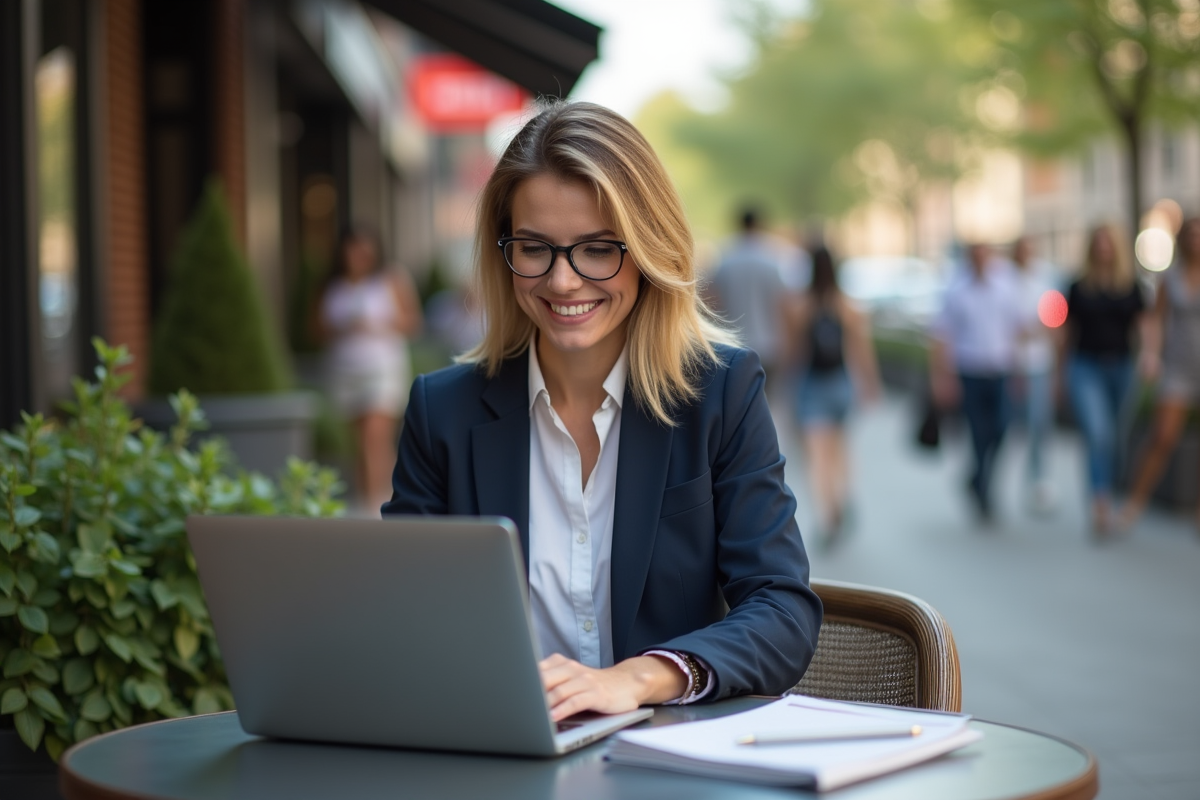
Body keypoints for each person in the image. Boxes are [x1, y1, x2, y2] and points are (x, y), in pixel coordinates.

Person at [382, 102, 821, 720]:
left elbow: (781, 609)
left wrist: (642, 677)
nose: (563, 282)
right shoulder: (442, 412)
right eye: (534, 248)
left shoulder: (719, 394)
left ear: (648, 250)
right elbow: (402, 614)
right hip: (496, 756)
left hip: (665, 761)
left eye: (596, 249)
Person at [319, 228, 423, 511]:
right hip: (345, 372)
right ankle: (375, 499)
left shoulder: (390, 279)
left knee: (374, 439)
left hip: (381, 369)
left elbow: (413, 322)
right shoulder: (333, 285)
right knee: (360, 445)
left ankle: (380, 504)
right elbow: (314, 329)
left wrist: (375, 325)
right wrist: (342, 327)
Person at [785, 245, 881, 544]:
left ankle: (828, 515)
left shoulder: (799, 307)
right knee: (840, 451)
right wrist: (870, 384)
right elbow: (862, 350)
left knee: (817, 456)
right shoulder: (848, 306)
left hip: (811, 385)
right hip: (841, 383)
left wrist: (785, 390)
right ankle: (843, 497)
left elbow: (793, 354)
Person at [931, 243, 1030, 521]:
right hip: (970, 371)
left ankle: (978, 478)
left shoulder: (1006, 286)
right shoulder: (956, 289)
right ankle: (983, 488)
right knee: (977, 433)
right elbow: (942, 335)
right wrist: (942, 376)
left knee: (1001, 428)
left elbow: (1017, 330)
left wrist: (1020, 370)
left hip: (1001, 370)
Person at [1060, 223, 1145, 536]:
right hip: (1086, 367)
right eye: (1099, 243)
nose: (1104, 249)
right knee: (1098, 433)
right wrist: (1059, 374)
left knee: (1116, 437)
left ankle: (1110, 490)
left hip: (1122, 367)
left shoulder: (1130, 285)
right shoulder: (1078, 286)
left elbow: (1142, 326)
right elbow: (1067, 333)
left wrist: (1149, 356)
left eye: (1109, 243)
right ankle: (1100, 504)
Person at [1121, 217, 1200, 530]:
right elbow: (1156, 321)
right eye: (1192, 234)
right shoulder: (1172, 278)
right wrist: (1150, 355)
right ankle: (1132, 505)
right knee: (1163, 437)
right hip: (1178, 368)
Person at [707, 207, 802, 388]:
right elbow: (784, 304)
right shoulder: (772, 260)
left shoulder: (725, 260)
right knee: (766, 400)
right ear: (759, 225)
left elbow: (713, 301)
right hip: (769, 343)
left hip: (734, 342)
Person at [1008, 236, 1060, 514]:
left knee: (1038, 422)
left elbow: (1057, 318)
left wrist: (1038, 329)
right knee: (1011, 424)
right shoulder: (1004, 281)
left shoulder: (1045, 279)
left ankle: (1037, 480)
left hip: (1038, 363)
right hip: (1009, 364)